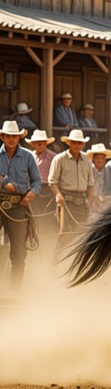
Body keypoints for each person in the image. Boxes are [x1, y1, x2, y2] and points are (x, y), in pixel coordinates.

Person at [0, 121, 41, 290]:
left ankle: (14, 288)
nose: (11, 140)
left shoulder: (28, 156)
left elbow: (37, 181)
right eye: (8, 136)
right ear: (2, 137)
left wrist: (32, 194)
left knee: (19, 250)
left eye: (14, 137)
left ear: (19, 138)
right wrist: (5, 182)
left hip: (18, 206)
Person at [48, 129, 94, 251]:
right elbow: (52, 181)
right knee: (64, 233)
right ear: (69, 143)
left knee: (82, 233)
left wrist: (89, 203)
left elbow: (90, 185)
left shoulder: (87, 160)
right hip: (66, 202)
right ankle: (56, 260)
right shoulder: (60, 159)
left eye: (79, 143)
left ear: (83, 144)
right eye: (74, 142)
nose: (77, 145)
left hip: (81, 202)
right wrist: (58, 195)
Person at [25, 129, 57, 225]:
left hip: (48, 189)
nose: (40, 145)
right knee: (34, 214)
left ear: (46, 143)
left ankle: (46, 236)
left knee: (47, 215)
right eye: (37, 143)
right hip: (33, 188)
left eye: (42, 143)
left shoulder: (53, 157)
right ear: (33, 144)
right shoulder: (29, 156)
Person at [86, 143, 111, 213]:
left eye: (102, 158)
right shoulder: (89, 169)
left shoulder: (108, 170)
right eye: (97, 158)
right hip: (89, 201)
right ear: (93, 159)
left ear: (105, 159)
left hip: (104, 203)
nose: (100, 160)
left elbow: (109, 187)